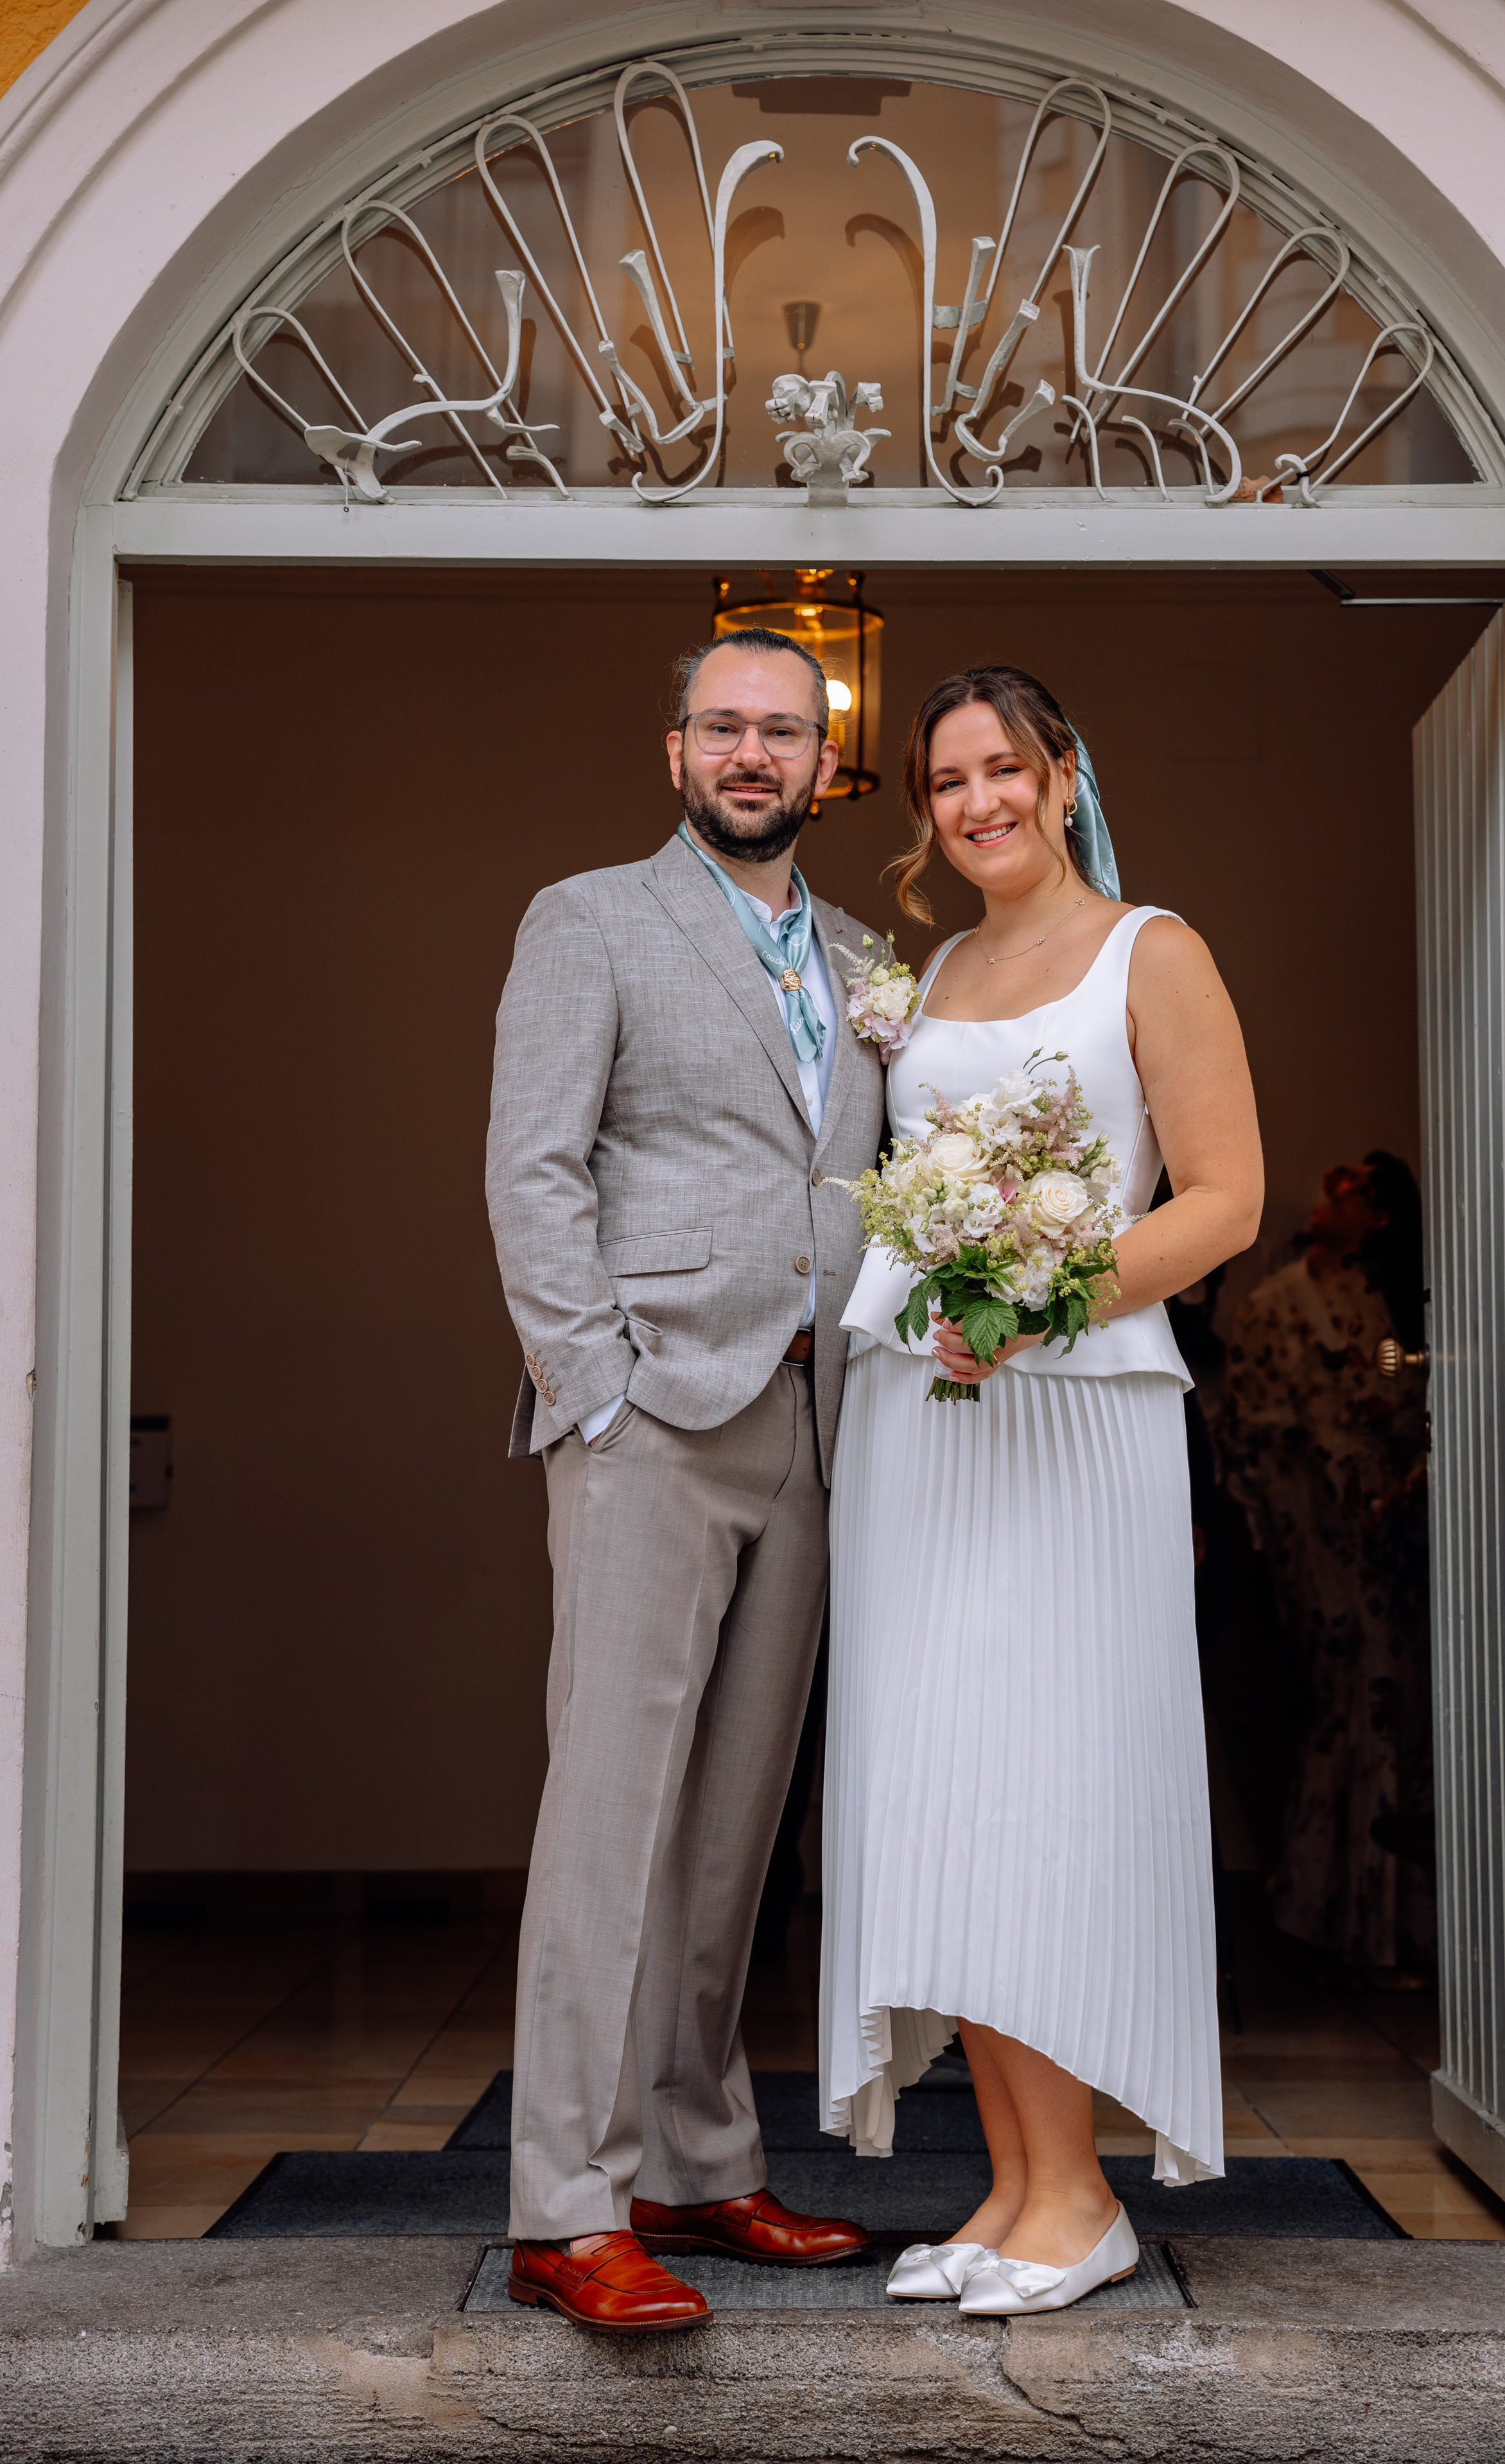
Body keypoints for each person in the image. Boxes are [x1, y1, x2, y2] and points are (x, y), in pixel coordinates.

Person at [819, 665, 1264, 2316]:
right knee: (945, 1783)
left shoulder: (1157, 948)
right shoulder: (928, 969)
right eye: (946, 782)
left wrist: (1044, 1296)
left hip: (1073, 1423)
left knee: (1047, 1782)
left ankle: (1083, 2198)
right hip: (926, 1429)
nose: (978, 800)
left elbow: (1223, 1197)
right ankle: (1013, 2186)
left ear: (1066, 772)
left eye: (1005, 766)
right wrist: (952, 1305)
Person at [486, 630, 888, 2331]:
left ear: (822, 763)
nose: (751, 752)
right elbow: (532, 1166)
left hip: (812, 1427)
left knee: (734, 1825)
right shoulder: (589, 917)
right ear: (675, 752)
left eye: (781, 730)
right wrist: (596, 1400)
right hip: (653, 1416)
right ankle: (567, 2203)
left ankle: (697, 2163)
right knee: (610, 1815)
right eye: (723, 726)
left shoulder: (872, 958)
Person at [1217, 1154, 1434, 1984]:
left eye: (1349, 1188)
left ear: (1376, 1214)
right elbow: (1257, 1439)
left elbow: (1414, 1414)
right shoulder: (1279, 1305)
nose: (1327, 1194)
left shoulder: (1394, 1306)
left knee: (1391, 1702)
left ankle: (1382, 1924)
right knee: (1348, 1697)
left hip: (1391, 1534)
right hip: (1320, 1540)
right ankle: (1324, 1914)